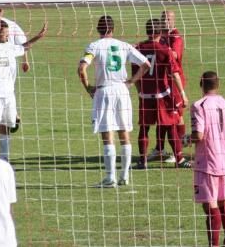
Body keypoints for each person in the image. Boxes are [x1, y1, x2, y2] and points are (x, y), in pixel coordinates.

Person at [78, 16, 150, 187]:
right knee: (124, 133)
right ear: (113, 29)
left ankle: (110, 177)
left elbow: (81, 68)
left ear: (98, 29)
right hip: (122, 91)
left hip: (104, 91)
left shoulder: (94, 46)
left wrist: (88, 87)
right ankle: (124, 176)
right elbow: (146, 64)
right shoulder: (124, 45)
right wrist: (131, 82)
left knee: (107, 133)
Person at [0, 19, 47, 162]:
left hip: (9, 95)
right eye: (5, 33)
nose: (8, 36)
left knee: (6, 126)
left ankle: (4, 158)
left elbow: (24, 47)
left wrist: (38, 37)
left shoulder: (8, 47)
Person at [192, 71, 225, 247]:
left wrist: (186, 139)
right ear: (218, 85)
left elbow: (199, 135)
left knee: (210, 206)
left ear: (201, 84)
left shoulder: (199, 106)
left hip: (207, 163)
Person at [133, 19, 191, 170]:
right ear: (160, 32)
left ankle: (143, 161)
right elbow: (174, 74)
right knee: (171, 125)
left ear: (147, 31)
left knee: (144, 128)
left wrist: (140, 91)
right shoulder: (164, 50)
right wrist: (183, 94)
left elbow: (135, 75)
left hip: (145, 96)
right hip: (162, 96)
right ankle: (179, 159)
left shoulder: (137, 48)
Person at [149, 10, 188, 163]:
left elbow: (175, 55)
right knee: (163, 115)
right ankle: (159, 149)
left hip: (174, 82)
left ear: (174, 20)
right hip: (163, 82)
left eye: (168, 18)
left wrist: (158, 49)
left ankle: (178, 151)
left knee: (177, 116)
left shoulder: (176, 38)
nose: (165, 21)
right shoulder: (161, 36)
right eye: (163, 18)